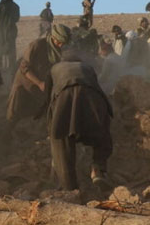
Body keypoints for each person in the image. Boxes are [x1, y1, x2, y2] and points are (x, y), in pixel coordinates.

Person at [44, 56, 113, 190]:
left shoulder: (54, 69)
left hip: (65, 97)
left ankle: (69, 185)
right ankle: (97, 170)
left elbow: (48, 99)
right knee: (101, 131)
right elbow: (97, 86)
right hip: (93, 96)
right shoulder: (87, 68)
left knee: (61, 138)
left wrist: (51, 127)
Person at [6, 24, 71, 127]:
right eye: (58, 42)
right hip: (25, 82)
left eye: (63, 43)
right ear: (53, 37)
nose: (60, 45)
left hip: (42, 84)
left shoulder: (58, 50)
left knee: (39, 111)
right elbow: (24, 68)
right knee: (15, 112)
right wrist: (39, 83)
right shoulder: (37, 45)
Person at [0, 0, 20, 71]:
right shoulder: (16, 6)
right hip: (11, 30)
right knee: (11, 48)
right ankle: (12, 69)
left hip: (1, 29)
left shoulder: (1, 5)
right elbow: (16, 18)